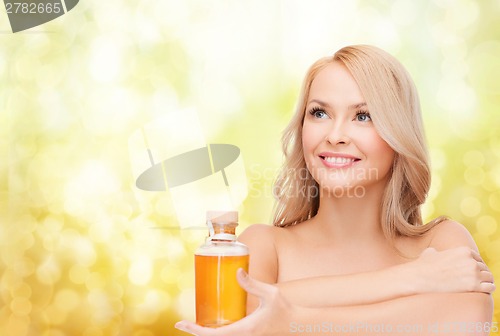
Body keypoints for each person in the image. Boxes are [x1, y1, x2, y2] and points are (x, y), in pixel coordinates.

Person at [175, 45, 495, 335]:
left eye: (363, 115)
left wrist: (289, 320)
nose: (336, 134)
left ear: (399, 135)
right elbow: (235, 314)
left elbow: (466, 322)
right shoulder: (262, 246)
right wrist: (412, 280)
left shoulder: (442, 242)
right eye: (320, 113)